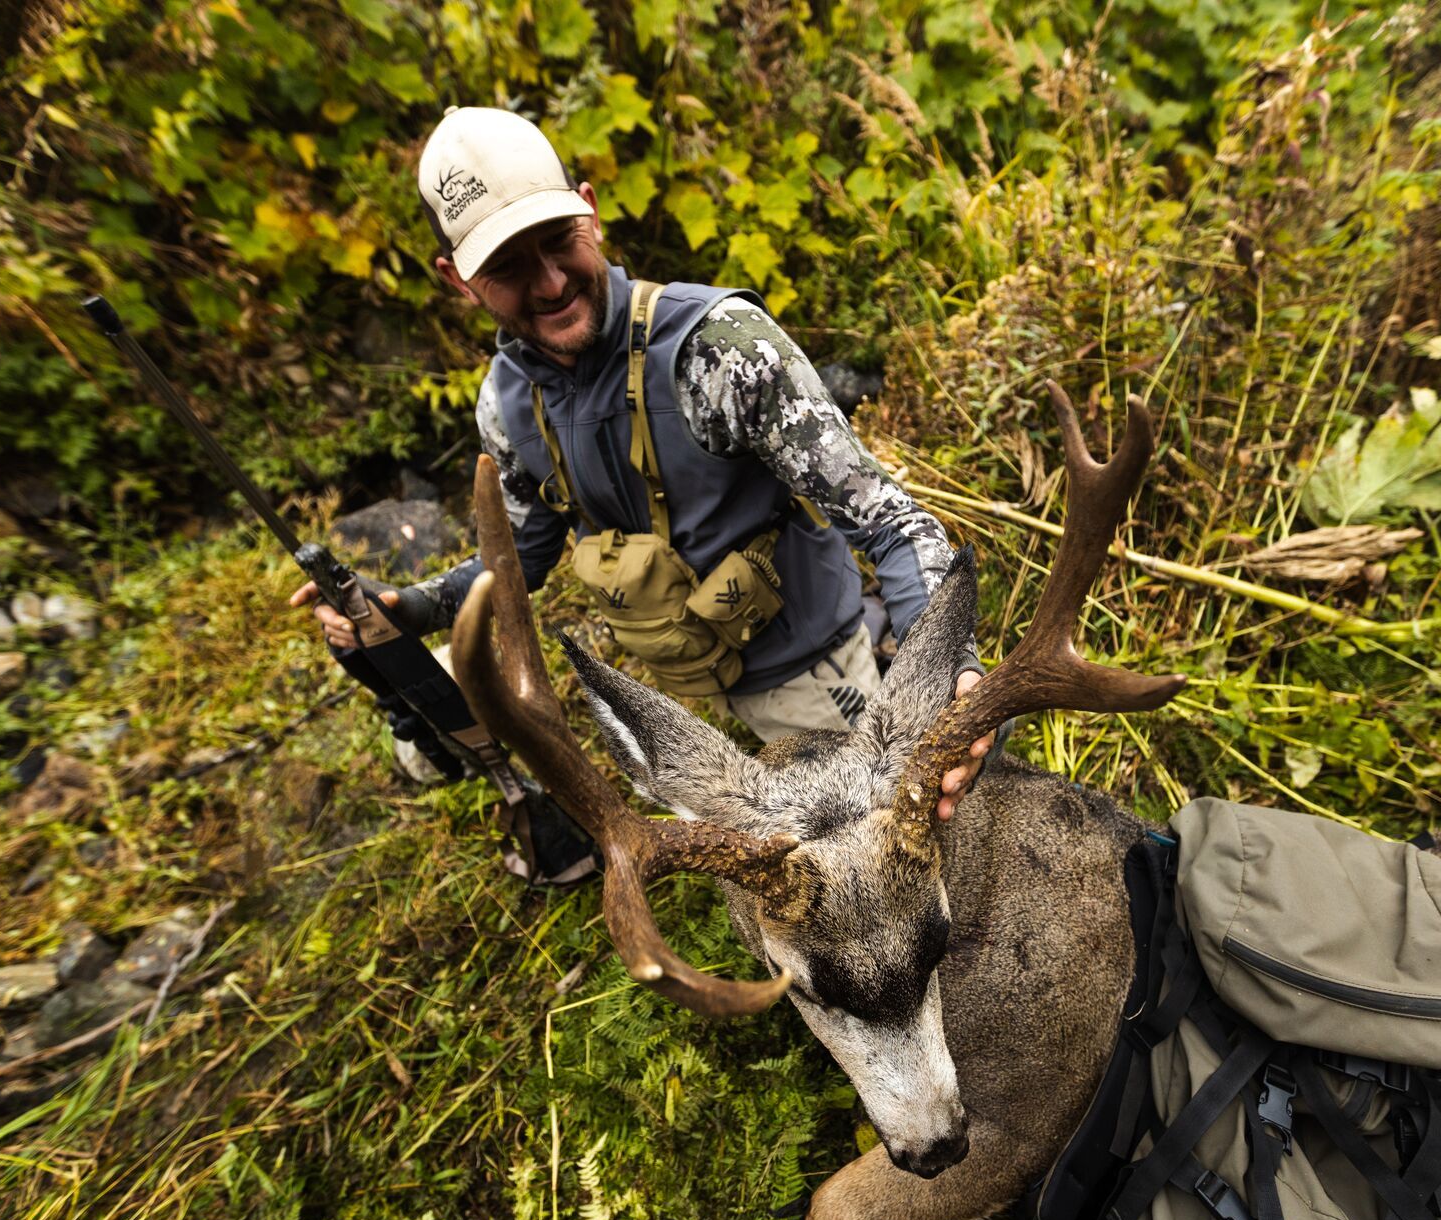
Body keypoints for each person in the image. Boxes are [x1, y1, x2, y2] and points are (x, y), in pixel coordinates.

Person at [293, 106, 993, 881]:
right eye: (510, 267)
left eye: (559, 242)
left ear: (590, 209)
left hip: (806, 680)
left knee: (874, 874)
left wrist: (947, 673)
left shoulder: (721, 350)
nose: (552, 283)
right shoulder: (506, 404)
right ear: (458, 280)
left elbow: (890, 523)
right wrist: (413, 607)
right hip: (688, 688)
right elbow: (519, 559)